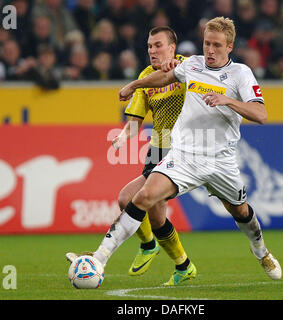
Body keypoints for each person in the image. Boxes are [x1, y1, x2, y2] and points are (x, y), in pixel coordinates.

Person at [71, 16, 282, 287]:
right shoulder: (192, 64)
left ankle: (261, 251)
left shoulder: (241, 74)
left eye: (217, 45)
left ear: (230, 46)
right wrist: (135, 85)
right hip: (184, 156)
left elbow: (261, 114)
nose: (210, 50)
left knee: (240, 211)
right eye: (207, 43)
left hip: (221, 161)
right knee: (143, 196)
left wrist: (227, 100)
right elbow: (165, 77)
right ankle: (100, 257)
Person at [67, 26, 196, 286]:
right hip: (158, 148)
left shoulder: (188, 67)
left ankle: (148, 247)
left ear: (172, 47)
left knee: (128, 197)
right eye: (149, 46)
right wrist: (123, 137)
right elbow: (135, 120)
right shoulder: (147, 76)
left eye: (158, 45)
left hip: (182, 150)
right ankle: (182, 265)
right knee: (157, 216)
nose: (152, 50)